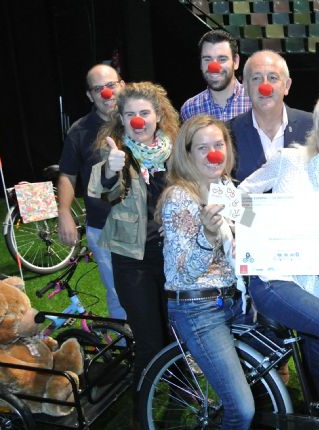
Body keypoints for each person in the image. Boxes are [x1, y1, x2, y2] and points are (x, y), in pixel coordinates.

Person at [239, 92, 319, 429]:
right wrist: (257, 231)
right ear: (316, 130)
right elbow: (241, 197)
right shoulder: (289, 161)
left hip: (315, 291)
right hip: (274, 278)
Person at [157, 115, 254, 428]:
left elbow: (254, 229)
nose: (214, 154)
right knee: (242, 409)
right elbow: (182, 272)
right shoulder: (180, 197)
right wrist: (208, 236)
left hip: (233, 299)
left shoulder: (229, 189)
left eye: (218, 144)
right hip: (197, 307)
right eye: (203, 148)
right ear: (187, 154)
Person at [87, 81, 180, 397]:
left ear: (158, 115)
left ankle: (182, 394)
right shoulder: (114, 152)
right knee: (150, 340)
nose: (138, 120)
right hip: (132, 262)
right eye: (130, 114)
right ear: (122, 119)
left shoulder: (175, 151)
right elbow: (103, 192)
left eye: (145, 112)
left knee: (175, 333)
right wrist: (110, 171)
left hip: (171, 257)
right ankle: (142, 411)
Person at [58, 64, 127, 320]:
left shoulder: (140, 118)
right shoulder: (79, 131)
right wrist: (64, 212)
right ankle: (127, 340)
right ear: (90, 95)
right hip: (103, 225)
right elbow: (67, 174)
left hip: (147, 224)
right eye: (99, 89)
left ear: (122, 85)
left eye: (111, 85)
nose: (106, 93)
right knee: (117, 292)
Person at [228, 50, 313, 182]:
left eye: (273, 78)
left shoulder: (312, 126)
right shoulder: (229, 132)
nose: (265, 86)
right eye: (256, 78)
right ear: (245, 87)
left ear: (287, 85)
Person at [180, 29, 251, 122]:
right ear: (201, 63)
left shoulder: (255, 101)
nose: (214, 67)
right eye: (207, 59)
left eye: (222, 59)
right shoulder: (190, 109)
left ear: (236, 62)